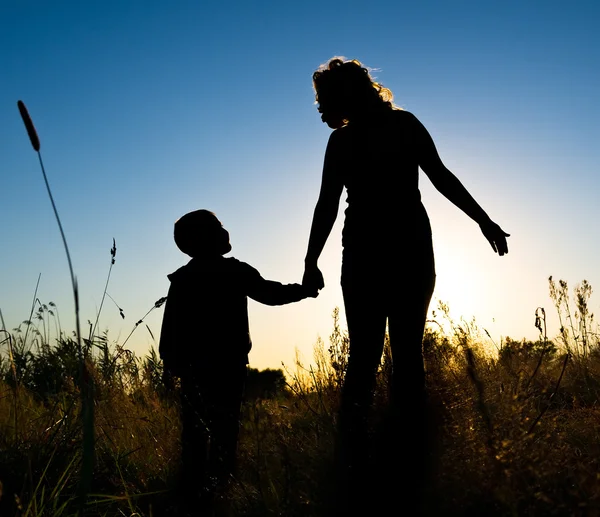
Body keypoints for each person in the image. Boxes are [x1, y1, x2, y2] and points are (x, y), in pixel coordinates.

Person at [301, 57, 510, 514]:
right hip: (389, 250)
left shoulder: (375, 132)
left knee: (381, 353)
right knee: (387, 353)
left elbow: (439, 178)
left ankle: (380, 452)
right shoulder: (363, 135)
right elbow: (328, 205)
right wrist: (310, 259)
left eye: (325, 98)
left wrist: (484, 220)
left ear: (343, 95)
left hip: (382, 251)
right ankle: (377, 452)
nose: (323, 107)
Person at [159, 209, 317, 515]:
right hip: (227, 366)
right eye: (218, 226)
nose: (224, 230)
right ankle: (220, 489)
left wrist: (170, 364)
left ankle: (195, 491)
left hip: (195, 369)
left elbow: (171, 328)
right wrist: (303, 291)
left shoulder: (184, 278)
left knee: (194, 432)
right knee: (224, 430)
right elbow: (270, 294)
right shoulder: (234, 272)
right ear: (210, 237)